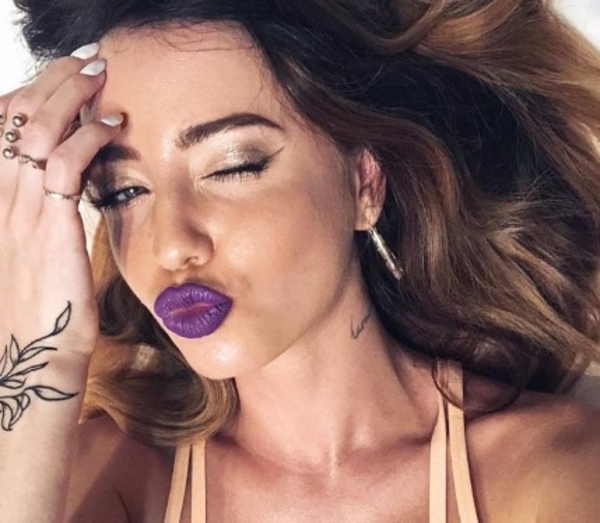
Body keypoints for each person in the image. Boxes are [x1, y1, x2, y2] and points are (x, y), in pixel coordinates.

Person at [1, 0, 600, 521]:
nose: (171, 245)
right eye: (123, 192)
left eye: (232, 166)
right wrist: (41, 357)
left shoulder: (551, 469)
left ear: (364, 183)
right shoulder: (109, 479)